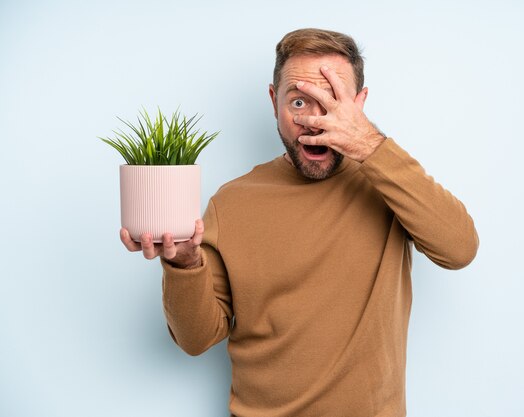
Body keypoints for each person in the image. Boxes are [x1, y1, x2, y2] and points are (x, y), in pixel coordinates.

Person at [120, 28, 479, 417]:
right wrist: (183, 264)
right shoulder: (233, 202)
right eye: (298, 101)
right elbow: (195, 339)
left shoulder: (388, 183)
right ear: (274, 102)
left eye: (333, 102)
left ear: (360, 104)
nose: (313, 120)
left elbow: (459, 249)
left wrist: (369, 145)